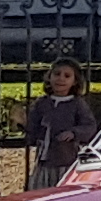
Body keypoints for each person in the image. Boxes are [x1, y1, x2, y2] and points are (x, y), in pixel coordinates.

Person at [23, 60, 95, 191]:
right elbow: (32, 130)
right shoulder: (42, 103)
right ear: (49, 77)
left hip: (67, 160)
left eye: (67, 76)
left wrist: (74, 133)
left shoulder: (77, 104)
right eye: (57, 74)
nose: (61, 79)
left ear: (75, 81)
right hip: (44, 161)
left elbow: (89, 126)